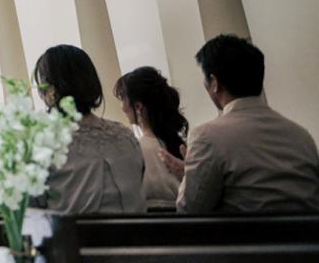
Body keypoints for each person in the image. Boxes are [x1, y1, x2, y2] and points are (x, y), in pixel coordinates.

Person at [173, 35, 319, 213]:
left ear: (214, 83)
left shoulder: (207, 137)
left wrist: (188, 176)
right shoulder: (302, 136)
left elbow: (189, 211)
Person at [35, 45, 146, 214]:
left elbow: (28, 212)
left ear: (49, 90)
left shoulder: (42, 144)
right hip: (137, 231)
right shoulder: (125, 136)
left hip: (74, 231)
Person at [113, 66, 186, 210]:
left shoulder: (137, 150)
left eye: (123, 100)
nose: (122, 108)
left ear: (138, 106)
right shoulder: (180, 144)